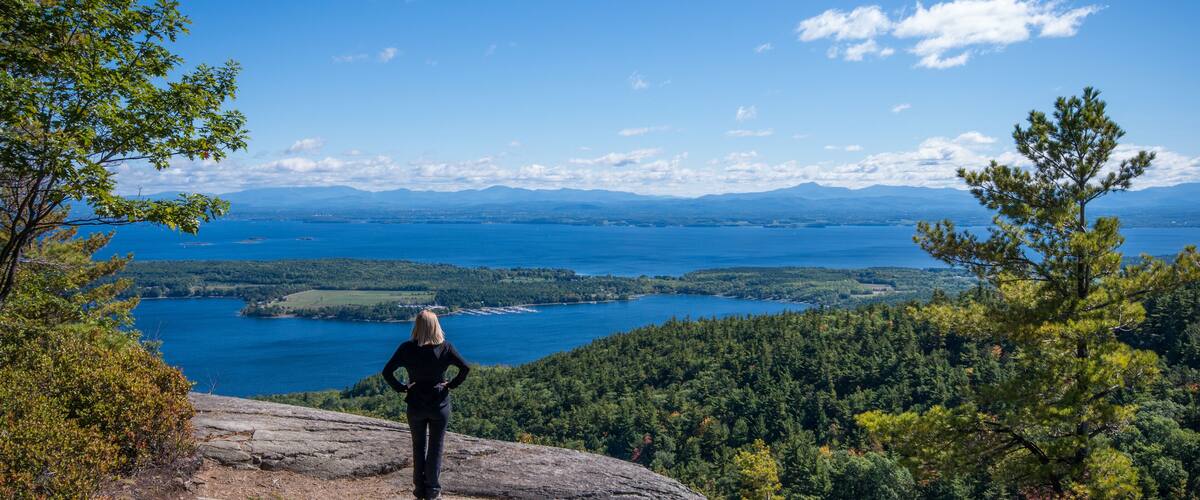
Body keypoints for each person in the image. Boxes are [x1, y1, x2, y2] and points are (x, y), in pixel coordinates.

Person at [382, 310, 471, 499]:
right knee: (436, 447)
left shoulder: (406, 348)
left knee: (418, 446)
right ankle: (433, 491)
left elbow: (387, 372)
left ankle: (419, 490)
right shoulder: (445, 348)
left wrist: (402, 388)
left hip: (415, 405)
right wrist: (451, 384)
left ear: (417, 326)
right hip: (440, 405)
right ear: (436, 325)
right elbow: (465, 368)